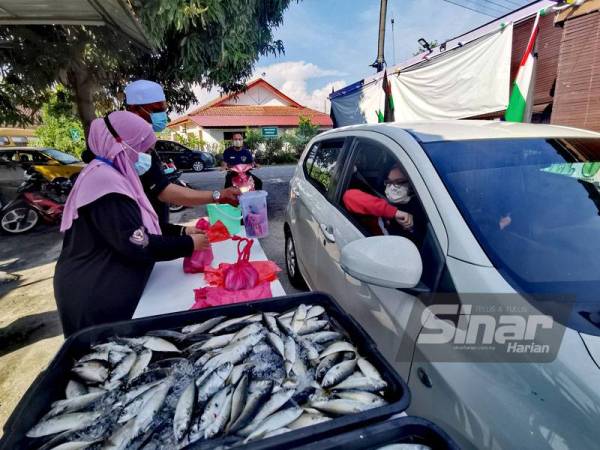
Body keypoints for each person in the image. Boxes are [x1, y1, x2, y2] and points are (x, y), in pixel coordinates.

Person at [54, 112, 208, 337]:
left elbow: (137, 226)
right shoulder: (104, 184)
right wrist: (188, 244)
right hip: (96, 298)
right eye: (143, 150)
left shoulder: (113, 175)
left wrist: (183, 230)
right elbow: (139, 242)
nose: (146, 157)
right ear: (120, 145)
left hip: (108, 289)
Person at [82, 80, 240, 225]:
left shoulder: (139, 141)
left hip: (149, 231)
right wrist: (218, 196)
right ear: (133, 109)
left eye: (164, 110)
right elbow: (164, 191)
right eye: (157, 110)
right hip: (138, 236)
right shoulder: (120, 152)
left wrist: (183, 232)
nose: (162, 116)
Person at [343, 165, 425, 244]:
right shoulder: (380, 202)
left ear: (412, 185)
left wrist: (411, 228)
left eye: (399, 182)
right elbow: (349, 196)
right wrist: (393, 212)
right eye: (389, 182)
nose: (393, 187)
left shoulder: (423, 207)